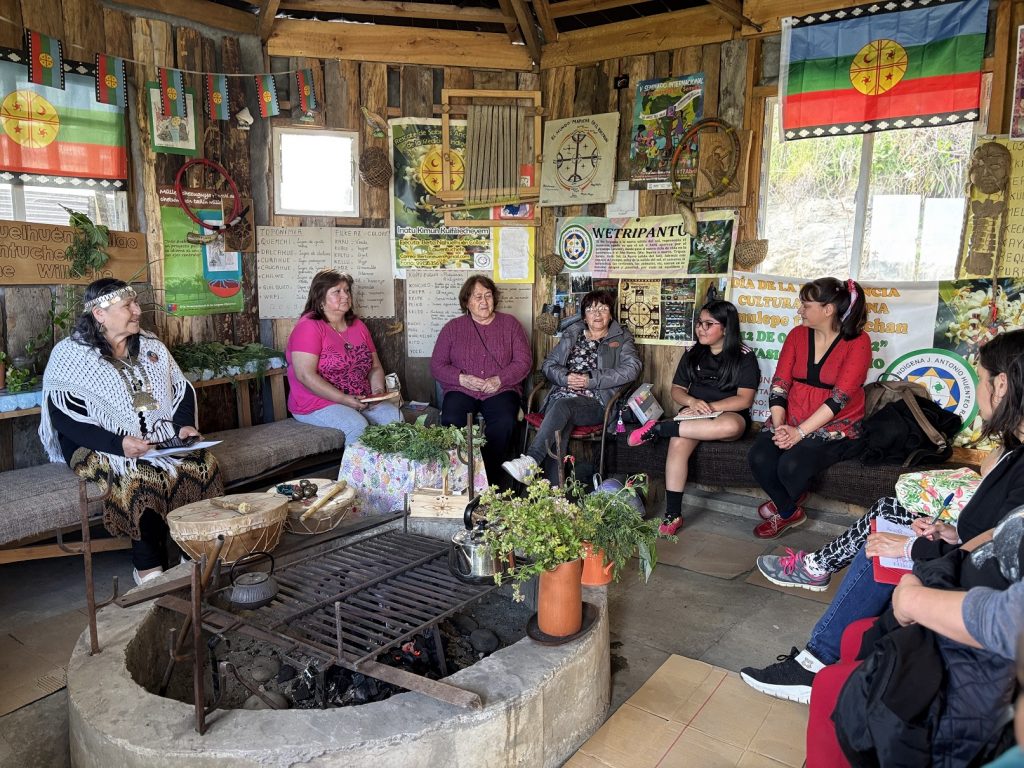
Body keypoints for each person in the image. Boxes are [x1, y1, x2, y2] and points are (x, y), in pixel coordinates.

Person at [740, 329, 1024, 704]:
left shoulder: (1016, 466)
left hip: (969, 594)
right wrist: (949, 533)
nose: (977, 384)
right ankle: (817, 581)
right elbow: (996, 534)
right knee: (887, 514)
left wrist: (914, 548)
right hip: (960, 560)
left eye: (980, 378)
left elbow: (998, 574)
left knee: (880, 541)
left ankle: (817, 654)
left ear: (1001, 385)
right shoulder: (1014, 452)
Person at [39, 279, 223, 586]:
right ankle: (148, 569)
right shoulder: (71, 354)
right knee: (141, 477)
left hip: (154, 435)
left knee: (203, 465)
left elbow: (180, 389)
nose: (137, 311)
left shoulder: (151, 347)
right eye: (128, 306)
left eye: (135, 304)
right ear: (99, 314)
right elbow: (64, 418)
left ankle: (190, 551)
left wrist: (183, 426)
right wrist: (118, 444)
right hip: (93, 443)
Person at [747, 277, 870, 539]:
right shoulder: (796, 335)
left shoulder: (859, 342)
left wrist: (799, 433)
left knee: (790, 465)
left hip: (836, 425)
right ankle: (789, 509)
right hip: (791, 417)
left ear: (828, 310)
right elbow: (780, 384)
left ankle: (784, 502)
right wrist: (781, 426)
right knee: (759, 456)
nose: (799, 311)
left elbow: (839, 399)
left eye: (805, 305)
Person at [626, 300, 759, 535]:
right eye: (699, 323)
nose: (701, 329)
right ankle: (672, 515)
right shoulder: (692, 352)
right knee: (678, 443)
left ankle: (659, 429)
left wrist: (709, 407)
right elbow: (676, 390)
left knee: (728, 425)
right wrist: (692, 402)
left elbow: (744, 399)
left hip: (727, 415)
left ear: (726, 328)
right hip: (694, 414)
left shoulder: (744, 355)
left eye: (709, 324)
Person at [503, 289, 640, 484]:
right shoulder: (573, 334)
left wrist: (590, 380)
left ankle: (531, 461)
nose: (597, 313)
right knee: (561, 424)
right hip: (562, 397)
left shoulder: (621, 337)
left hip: (597, 402)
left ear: (611, 314)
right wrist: (566, 377)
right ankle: (555, 496)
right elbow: (548, 365)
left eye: (603, 308)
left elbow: (632, 369)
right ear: (584, 315)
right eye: (591, 309)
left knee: (563, 408)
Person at [430, 275, 532, 486]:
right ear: (467, 302)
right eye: (477, 297)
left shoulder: (510, 324)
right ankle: (459, 476)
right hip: (462, 389)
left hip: (500, 389)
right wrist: (461, 378)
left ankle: (488, 477)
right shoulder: (453, 328)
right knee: (451, 418)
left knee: (504, 422)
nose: (484, 301)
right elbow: (437, 365)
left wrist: (500, 379)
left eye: (488, 295)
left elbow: (524, 362)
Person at [286, 270, 401, 443]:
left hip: (361, 397)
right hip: (317, 403)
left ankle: (391, 469)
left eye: (347, 290)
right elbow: (305, 375)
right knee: (356, 426)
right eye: (337, 292)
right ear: (320, 298)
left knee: (394, 417)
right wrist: (344, 399)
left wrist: (376, 392)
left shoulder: (358, 326)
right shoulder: (309, 327)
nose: (345, 296)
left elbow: (375, 366)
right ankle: (357, 470)